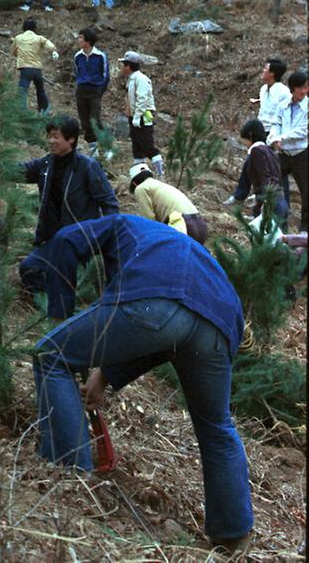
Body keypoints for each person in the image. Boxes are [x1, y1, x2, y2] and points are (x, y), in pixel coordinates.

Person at [32, 214, 253, 555]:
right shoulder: (173, 245)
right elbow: (168, 338)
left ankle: (70, 483)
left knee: (51, 353)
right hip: (219, 325)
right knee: (216, 426)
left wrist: (61, 318)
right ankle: (233, 533)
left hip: (162, 299)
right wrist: (105, 376)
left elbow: (64, 239)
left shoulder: (118, 223)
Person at [19, 116, 119, 296]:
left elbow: (109, 203)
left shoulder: (87, 167)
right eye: (49, 136)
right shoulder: (46, 165)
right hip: (52, 240)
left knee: (77, 279)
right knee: (29, 269)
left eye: (56, 136)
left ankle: (71, 301)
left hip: (80, 241)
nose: (51, 141)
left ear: (71, 139)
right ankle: (50, 305)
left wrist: (107, 240)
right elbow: (16, 171)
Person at [225, 59, 291, 206]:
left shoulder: (283, 92)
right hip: (261, 133)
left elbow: (283, 117)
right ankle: (241, 196)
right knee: (251, 164)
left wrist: (277, 138)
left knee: (276, 171)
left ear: (272, 73)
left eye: (265, 69)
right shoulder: (263, 89)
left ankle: (282, 207)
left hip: (275, 135)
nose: (262, 71)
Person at [267, 71, 308, 231]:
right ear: (292, 88)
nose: (304, 91)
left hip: (301, 154)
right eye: (301, 88)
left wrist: (282, 137)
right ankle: (279, 225)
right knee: (276, 188)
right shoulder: (283, 103)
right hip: (283, 154)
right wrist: (272, 137)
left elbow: (302, 131)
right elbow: (276, 122)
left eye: (306, 88)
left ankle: (304, 229)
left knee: (306, 193)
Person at [129, 163, 208, 243]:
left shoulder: (141, 188)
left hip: (181, 226)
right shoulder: (162, 185)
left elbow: (148, 220)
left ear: (134, 183)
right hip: (201, 225)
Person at [234, 119, 288, 224]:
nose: (245, 143)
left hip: (272, 205)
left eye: (245, 140)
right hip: (280, 202)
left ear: (250, 135)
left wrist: (265, 199)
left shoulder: (256, 151)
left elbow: (265, 178)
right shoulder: (269, 151)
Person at [119, 50, 164, 176]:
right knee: (137, 147)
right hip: (133, 117)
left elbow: (142, 99)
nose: (122, 68)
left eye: (124, 64)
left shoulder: (141, 79)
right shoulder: (131, 79)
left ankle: (160, 172)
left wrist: (138, 116)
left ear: (129, 66)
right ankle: (140, 173)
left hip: (143, 118)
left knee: (147, 146)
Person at [73, 28, 110, 154]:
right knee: (84, 121)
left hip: (95, 91)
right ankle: (92, 150)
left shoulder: (100, 56)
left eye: (81, 38)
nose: (79, 40)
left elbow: (105, 75)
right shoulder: (77, 56)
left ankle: (106, 145)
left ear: (88, 41)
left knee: (95, 119)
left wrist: (100, 90)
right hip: (81, 91)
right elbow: (76, 72)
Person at [11, 18, 59, 113]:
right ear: (34, 28)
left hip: (25, 69)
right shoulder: (39, 38)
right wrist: (54, 51)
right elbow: (51, 46)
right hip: (37, 69)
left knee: (23, 91)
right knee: (40, 90)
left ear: (23, 27)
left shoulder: (18, 38)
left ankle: (22, 112)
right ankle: (45, 110)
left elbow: (13, 51)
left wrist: (20, 55)